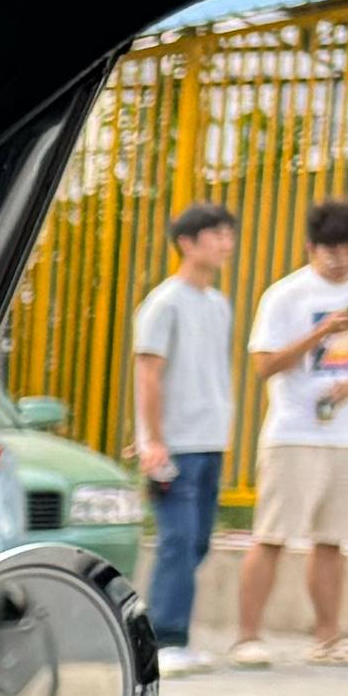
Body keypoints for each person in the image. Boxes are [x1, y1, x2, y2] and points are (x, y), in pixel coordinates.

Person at [236, 191, 348, 666]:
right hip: (295, 432)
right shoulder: (286, 295)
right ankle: (247, 637)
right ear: (312, 247)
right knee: (272, 536)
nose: (342, 259)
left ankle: (327, 639)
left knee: (333, 540)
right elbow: (265, 365)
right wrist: (320, 332)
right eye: (332, 250)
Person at [125, 200, 236, 653]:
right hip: (173, 445)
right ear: (187, 243)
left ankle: (166, 632)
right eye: (216, 235)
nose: (226, 244)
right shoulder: (164, 303)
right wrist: (153, 441)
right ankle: (166, 640)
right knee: (178, 540)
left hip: (209, 440)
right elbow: (148, 373)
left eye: (229, 234)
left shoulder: (218, 304)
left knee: (198, 542)